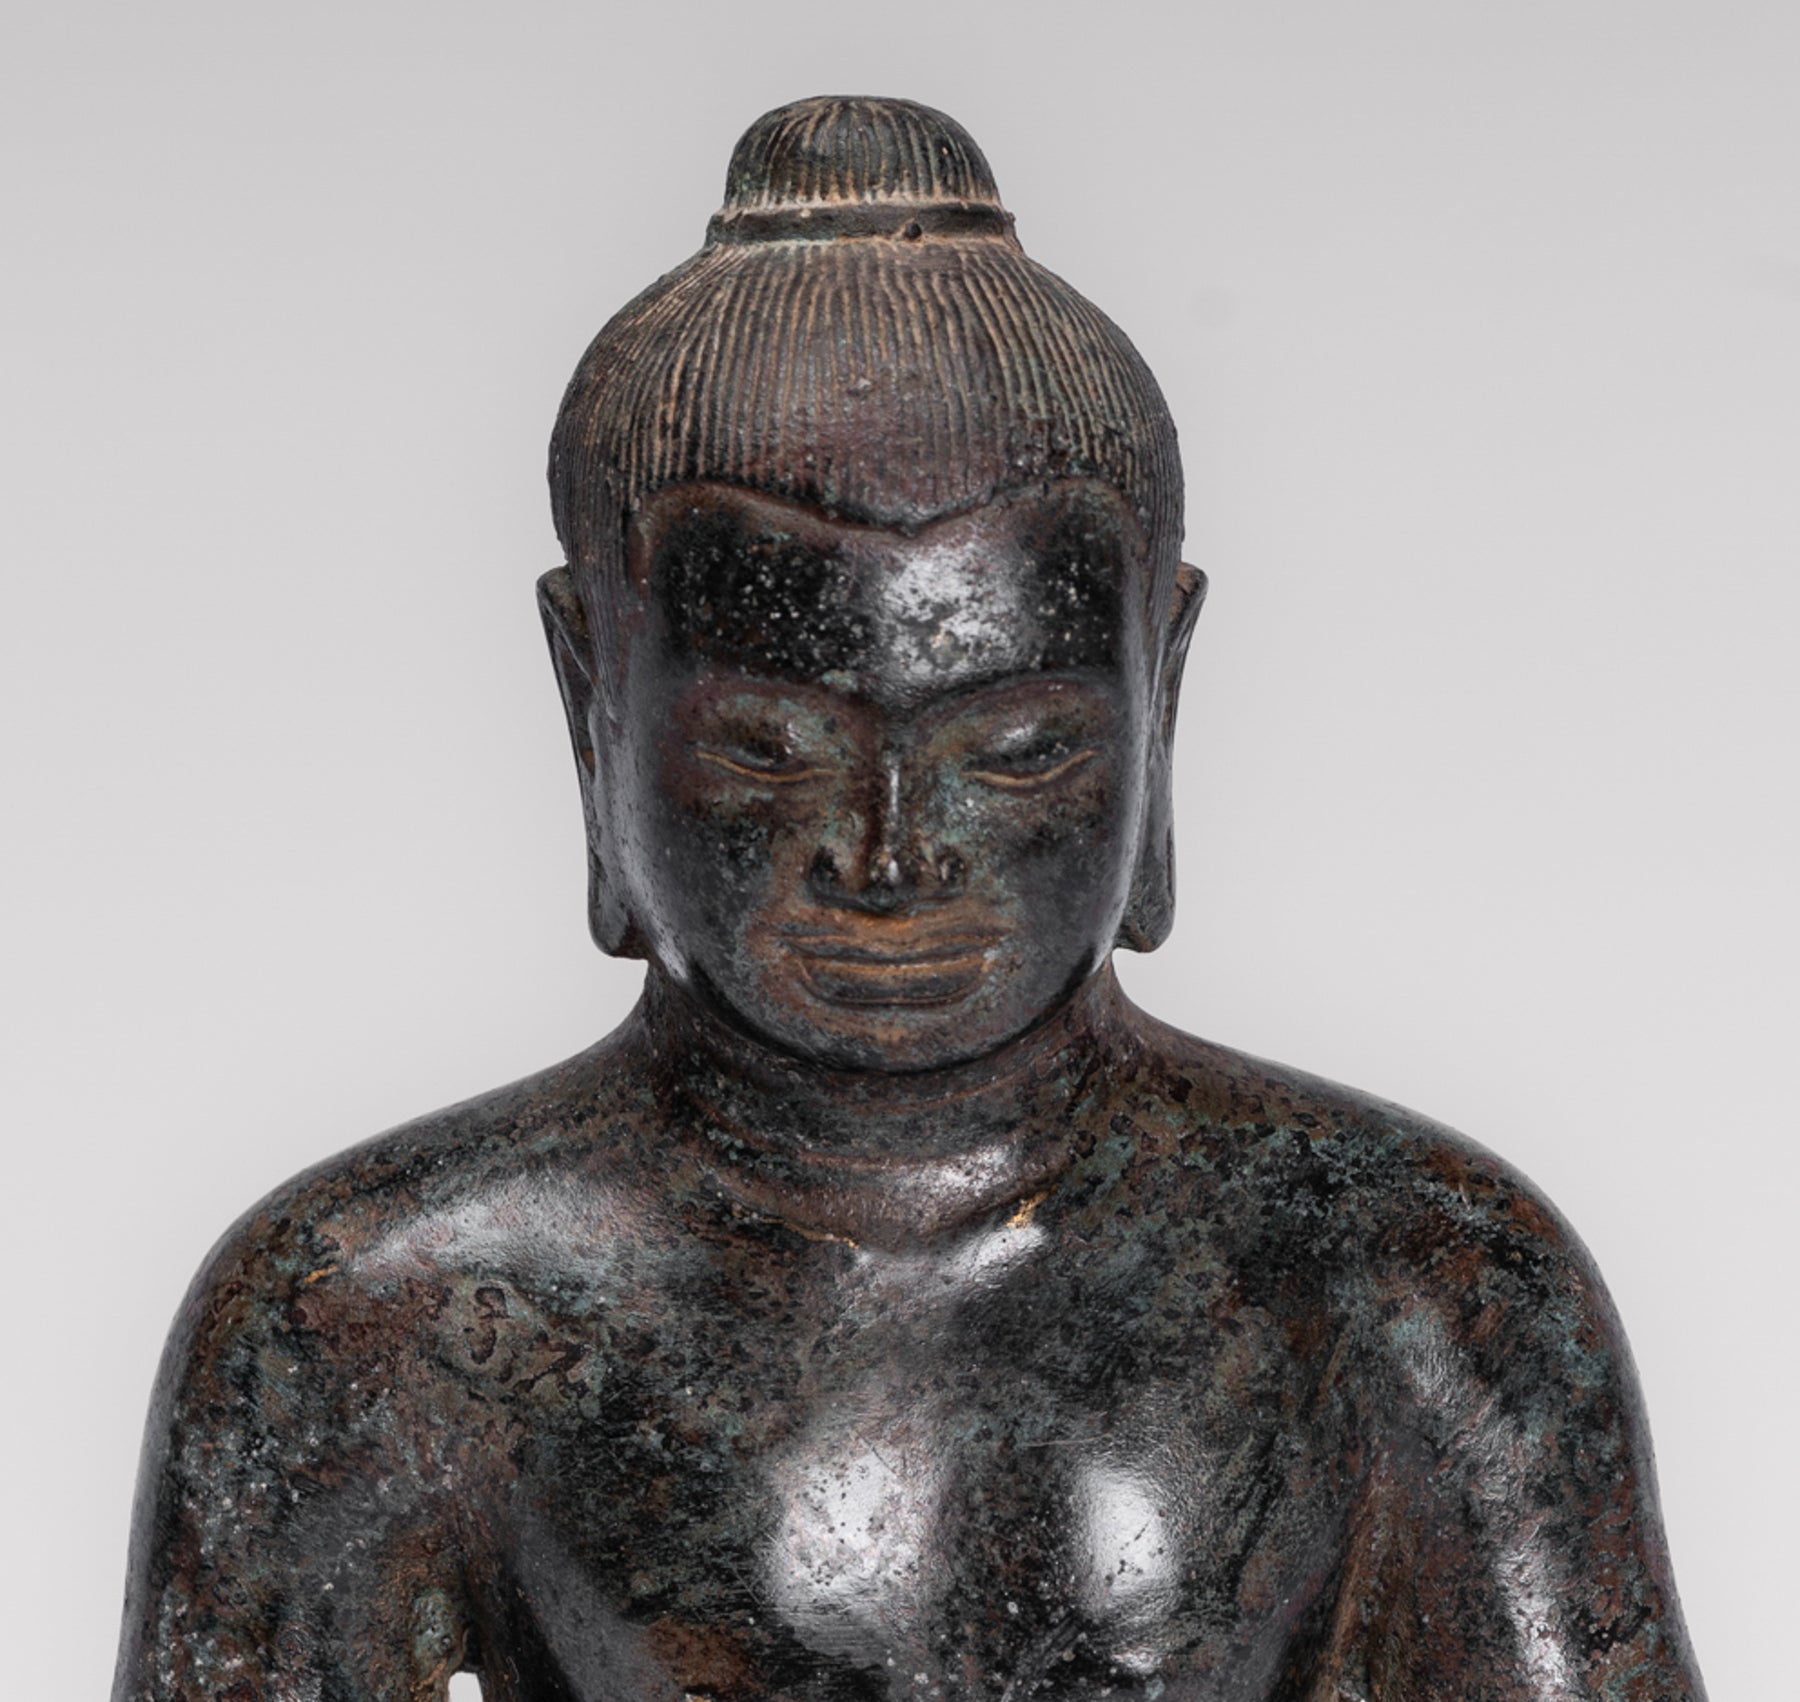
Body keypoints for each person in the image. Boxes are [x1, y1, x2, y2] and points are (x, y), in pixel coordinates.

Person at [113, 97, 1705, 1702]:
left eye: (1016, 750)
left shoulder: (1411, 1285)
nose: (890, 855)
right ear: (593, 698)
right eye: (768, 745)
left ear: (1159, 696)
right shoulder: (383, 1315)